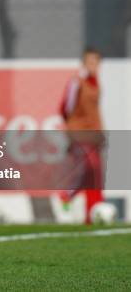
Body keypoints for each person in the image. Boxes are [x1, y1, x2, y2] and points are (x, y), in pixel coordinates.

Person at [59, 47, 105, 224]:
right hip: (80, 134)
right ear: (84, 64)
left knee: (95, 176)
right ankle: (67, 194)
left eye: (96, 62)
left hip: (94, 135)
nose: (93, 66)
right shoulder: (76, 82)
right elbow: (65, 107)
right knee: (90, 167)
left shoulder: (96, 83)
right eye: (90, 62)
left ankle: (92, 215)